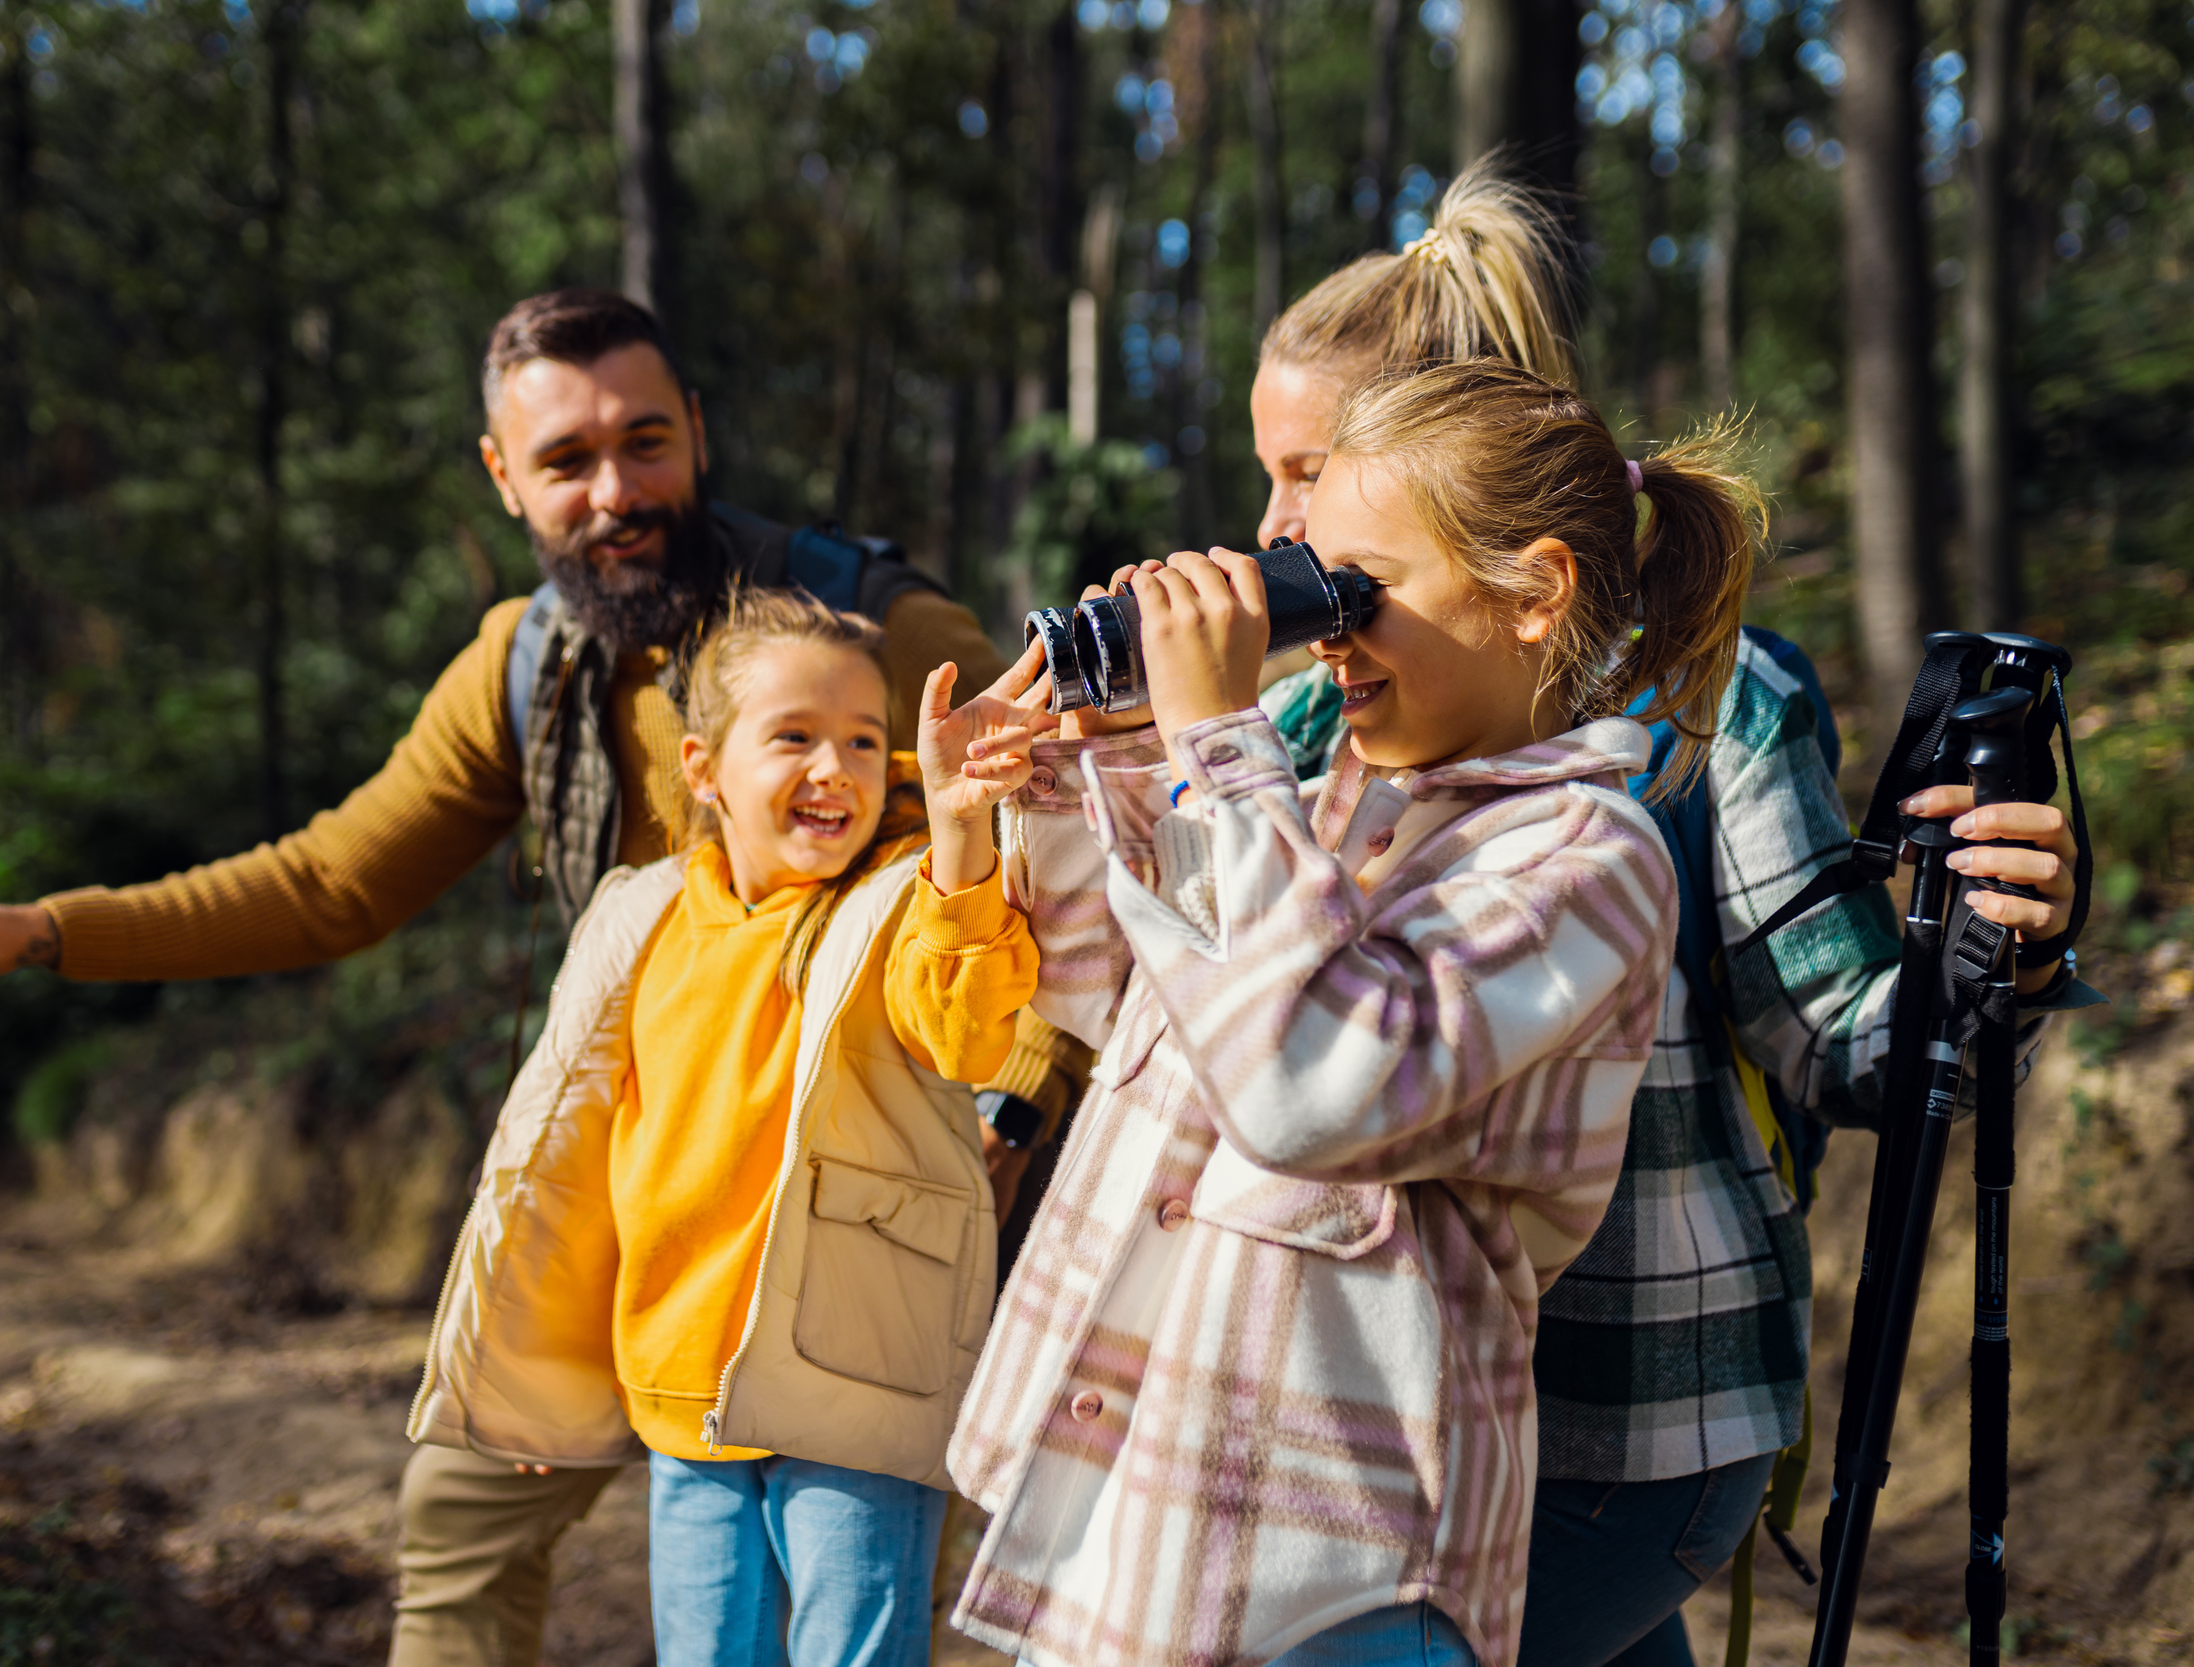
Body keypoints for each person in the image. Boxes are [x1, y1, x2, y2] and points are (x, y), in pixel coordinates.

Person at [0, 287, 1091, 1667]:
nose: (617, 490)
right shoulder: (524, 660)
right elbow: (329, 881)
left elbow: (1081, 874)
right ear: (505, 477)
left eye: (647, 440)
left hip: (848, 1223)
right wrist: (23, 928)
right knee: (462, 1520)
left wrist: (1018, 1118)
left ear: (699, 435)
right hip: (642, 1210)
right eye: (567, 459)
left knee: (867, 1600)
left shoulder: (873, 634)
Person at [1240, 167, 2092, 1667]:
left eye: (1307, 478)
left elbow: (1849, 1042)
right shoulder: (1310, 719)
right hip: (1401, 1408)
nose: (1272, 525)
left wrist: (1993, 950)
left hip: (1626, 1414)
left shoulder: (1703, 703)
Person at [948, 360, 1764, 1667]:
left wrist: (1218, 737)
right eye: (1316, 586)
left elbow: (1308, 1085)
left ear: (1533, 595)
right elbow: (1122, 998)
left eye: (1361, 590)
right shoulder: (1319, 803)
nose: (1326, 632)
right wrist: (1076, 767)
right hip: (1148, 1510)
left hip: (1334, 1563)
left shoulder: (1586, 859)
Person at [411, 585, 1051, 1667]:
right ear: (704, 767)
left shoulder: (897, 900)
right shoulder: (645, 916)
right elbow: (560, 1160)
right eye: (792, 736)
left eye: (861, 739)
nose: (834, 768)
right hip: (682, 1391)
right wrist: (529, 1378)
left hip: (856, 1379)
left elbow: (965, 1032)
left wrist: (956, 828)